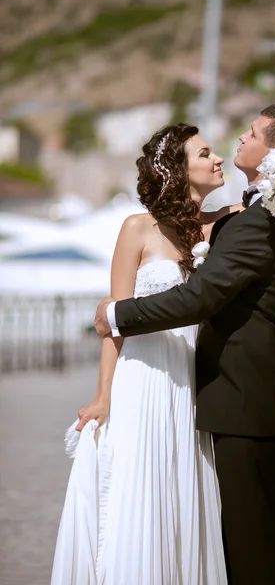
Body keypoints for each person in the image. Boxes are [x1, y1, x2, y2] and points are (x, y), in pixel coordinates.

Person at [95, 104, 275, 585]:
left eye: (253, 132)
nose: (239, 139)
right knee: (250, 537)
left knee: (252, 548)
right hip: (215, 392)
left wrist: (115, 314)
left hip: (245, 398)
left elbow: (199, 298)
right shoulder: (268, 216)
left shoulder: (261, 221)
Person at [51, 123, 232, 585]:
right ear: (178, 169)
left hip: (193, 379)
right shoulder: (137, 228)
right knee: (140, 486)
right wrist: (103, 396)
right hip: (144, 375)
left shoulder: (225, 224)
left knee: (181, 487)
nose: (218, 159)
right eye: (205, 153)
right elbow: (114, 321)